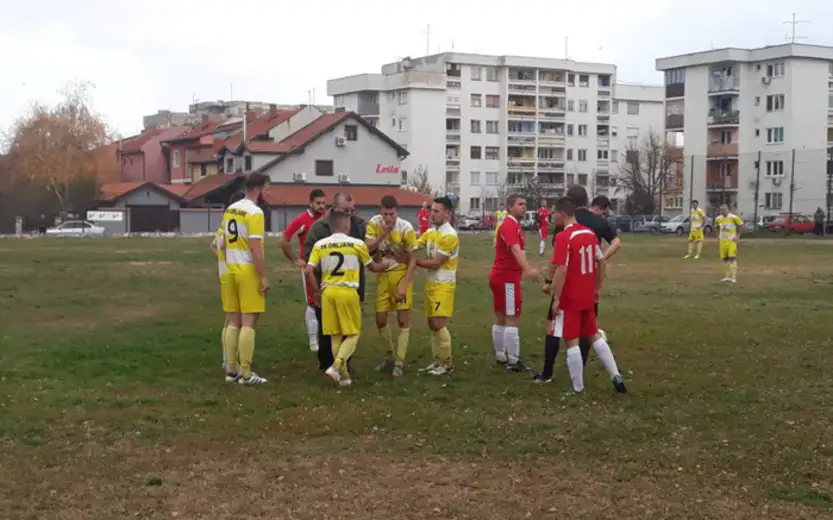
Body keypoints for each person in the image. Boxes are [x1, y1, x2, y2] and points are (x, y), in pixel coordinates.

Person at [535, 190, 621, 383]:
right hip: (588, 290)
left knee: (565, 335)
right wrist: (598, 284)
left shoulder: (565, 233)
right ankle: (614, 374)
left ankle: (570, 382)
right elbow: (607, 253)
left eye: (554, 212)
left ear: (564, 211)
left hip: (569, 292)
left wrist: (552, 288)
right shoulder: (593, 229)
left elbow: (559, 266)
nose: (552, 216)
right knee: (591, 333)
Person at [306, 211, 396, 387]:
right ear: (346, 225)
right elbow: (373, 267)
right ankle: (337, 365)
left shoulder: (320, 245)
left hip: (327, 292)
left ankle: (344, 376)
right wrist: (389, 265)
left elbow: (309, 270)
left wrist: (316, 291)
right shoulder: (356, 244)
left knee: (335, 334)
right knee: (353, 333)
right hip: (347, 291)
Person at [303, 192, 367, 371]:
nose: (350, 214)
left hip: (352, 285)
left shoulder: (359, 224)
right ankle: (327, 363)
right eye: (346, 210)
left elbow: (367, 250)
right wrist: (316, 289)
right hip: (327, 286)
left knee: (347, 329)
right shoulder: (319, 228)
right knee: (327, 330)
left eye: (352, 209)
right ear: (335, 208)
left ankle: (343, 365)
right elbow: (309, 257)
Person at [220, 172, 271, 385]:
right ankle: (246, 373)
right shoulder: (255, 212)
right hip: (247, 269)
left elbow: (222, 241)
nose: (269, 193)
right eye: (268, 188)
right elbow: (255, 248)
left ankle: (231, 369)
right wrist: (264, 276)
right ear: (258, 189)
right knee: (249, 322)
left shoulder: (231, 209)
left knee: (233, 320)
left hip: (230, 268)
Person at [365, 196, 418, 377]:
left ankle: (400, 362)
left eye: (392, 214)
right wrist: (383, 234)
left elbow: (413, 259)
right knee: (380, 319)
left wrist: (405, 284)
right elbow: (366, 247)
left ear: (397, 212)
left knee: (402, 320)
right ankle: (390, 356)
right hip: (382, 275)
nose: (388, 218)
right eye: (385, 214)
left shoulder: (406, 228)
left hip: (400, 274)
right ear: (380, 211)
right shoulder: (374, 223)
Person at [490, 194, 541, 372]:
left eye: (525, 204)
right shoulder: (510, 225)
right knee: (512, 317)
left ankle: (500, 355)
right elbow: (515, 249)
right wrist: (529, 269)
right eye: (520, 204)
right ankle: (513, 361)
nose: (524, 207)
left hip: (499, 276)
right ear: (510, 207)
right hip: (507, 279)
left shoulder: (512, 225)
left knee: (502, 317)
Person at [409, 196, 459, 375]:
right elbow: (414, 246)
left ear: (447, 213)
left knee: (439, 323)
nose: (432, 214)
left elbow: (437, 263)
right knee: (431, 323)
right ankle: (437, 360)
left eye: (437, 211)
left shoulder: (450, 235)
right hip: (431, 283)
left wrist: (415, 263)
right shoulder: (431, 232)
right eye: (432, 210)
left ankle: (447, 363)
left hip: (443, 285)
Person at [278, 188, 327, 352]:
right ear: (310, 203)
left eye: (323, 203)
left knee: (327, 300)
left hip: (328, 266)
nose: (321, 206)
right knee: (313, 302)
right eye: (318, 203)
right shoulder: (302, 220)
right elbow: (284, 240)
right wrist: (294, 259)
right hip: (309, 267)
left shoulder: (327, 218)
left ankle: (325, 336)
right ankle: (313, 339)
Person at [210, 190, 246, 372]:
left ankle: (228, 359)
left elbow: (214, 246)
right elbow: (216, 246)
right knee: (235, 320)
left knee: (230, 318)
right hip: (234, 274)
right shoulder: (235, 223)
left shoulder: (226, 223)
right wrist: (227, 259)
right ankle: (230, 361)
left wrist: (223, 259)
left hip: (226, 273)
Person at [714, 204, 744, 283]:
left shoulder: (734, 217)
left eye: (724, 209)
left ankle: (733, 277)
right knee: (725, 259)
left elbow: (741, 225)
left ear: (728, 210)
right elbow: (716, 227)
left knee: (732, 258)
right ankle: (726, 277)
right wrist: (717, 236)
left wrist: (737, 235)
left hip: (731, 241)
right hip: (722, 241)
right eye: (721, 210)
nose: (722, 211)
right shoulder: (718, 218)